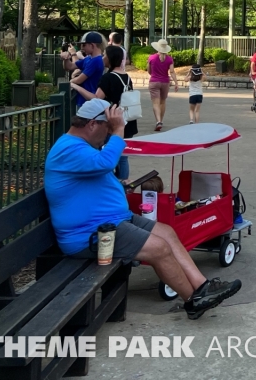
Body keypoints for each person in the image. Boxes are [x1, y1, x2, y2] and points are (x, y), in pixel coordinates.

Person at [44, 98, 241, 319]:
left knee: (166, 231)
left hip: (112, 221)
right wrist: (119, 129)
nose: (109, 136)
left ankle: (202, 285)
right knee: (159, 248)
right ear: (92, 124)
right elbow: (105, 163)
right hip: (90, 234)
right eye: (108, 129)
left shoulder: (78, 147)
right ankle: (193, 301)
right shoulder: (68, 149)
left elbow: (93, 176)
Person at [69, 44, 137, 181]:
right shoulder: (127, 76)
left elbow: (96, 99)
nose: (103, 58)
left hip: (111, 121)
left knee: (105, 152)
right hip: (127, 119)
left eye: (105, 55)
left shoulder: (108, 77)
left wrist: (77, 87)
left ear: (110, 58)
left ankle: (106, 181)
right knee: (123, 157)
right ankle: (124, 184)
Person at [61, 31, 105, 108]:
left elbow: (79, 80)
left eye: (84, 45)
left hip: (88, 102)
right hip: (83, 100)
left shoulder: (96, 61)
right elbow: (70, 66)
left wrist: (70, 82)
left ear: (92, 45)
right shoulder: (89, 58)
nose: (82, 48)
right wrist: (66, 59)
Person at [146, 39, 179, 131]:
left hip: (154, 81)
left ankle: (158, 121)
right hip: (165, 82)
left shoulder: (151, 58)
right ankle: (161, 120)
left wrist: (153, 75)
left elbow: (149, 70)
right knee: (163, 102)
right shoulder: (169, 59)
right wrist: (176, 83)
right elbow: (172, 71)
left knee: (155, 103)